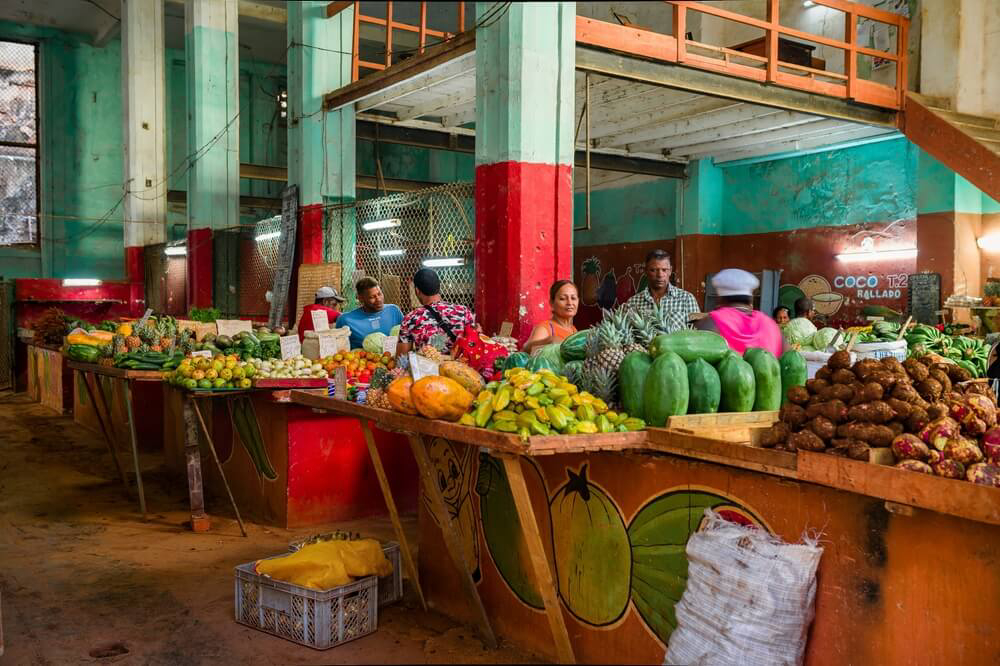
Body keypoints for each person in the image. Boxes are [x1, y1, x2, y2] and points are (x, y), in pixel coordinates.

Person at [696, 268, 786, 357]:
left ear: (720, 298)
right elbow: (788, 358)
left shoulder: (711, 322)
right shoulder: (771, 324)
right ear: (751, 299)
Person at [397, 268, 475, 356]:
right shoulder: (464, 312)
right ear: (439, 287)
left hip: (427, 365)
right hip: (460, 364)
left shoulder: (410, 318)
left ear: (417, 291)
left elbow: (402, 357)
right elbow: (473, 345)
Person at [623, 249, 699, 332]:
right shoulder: (632, 303)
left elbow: (697, 332)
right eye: (653, 270)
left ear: (670, 271)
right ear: (646, 271)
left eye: (664, 270)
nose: (660, 275)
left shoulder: (686, 299)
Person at [335, 277, 404, 350]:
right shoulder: (346, 320)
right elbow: (338, 347)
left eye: (379, 294)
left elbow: (406, 337)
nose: (378, 299)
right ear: (360, 298)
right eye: (372, 297)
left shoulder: (393, 311)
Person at [523, 280, 579, 354]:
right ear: (552, 303)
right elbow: (527, 349)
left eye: (573, 298)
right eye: (562, 298)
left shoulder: (574, 330)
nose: (569, 303)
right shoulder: (545, 328)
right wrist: (548, 341)